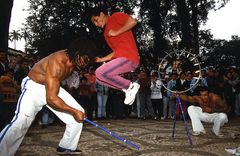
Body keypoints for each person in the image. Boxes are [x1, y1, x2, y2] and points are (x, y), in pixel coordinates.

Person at [0, 37, 97, 155]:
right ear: (77, 53)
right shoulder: (58, 61)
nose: (85, 63)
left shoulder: (75, 62)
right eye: (84, 58)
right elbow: (51, 99)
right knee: (21, 121)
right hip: (34, 86)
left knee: (79, 113)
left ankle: (66, 146)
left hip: (51, 86)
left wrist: (75, 111)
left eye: (88, 60)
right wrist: (72, 110)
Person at [90, 7, 140, 105]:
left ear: (101, 14)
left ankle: (130, 86)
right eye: (94, 23)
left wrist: (116, 32)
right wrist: (101, 60)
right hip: (121, 58)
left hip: (129, 56)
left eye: (96, 20)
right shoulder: (105, 34)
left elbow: (133, 21)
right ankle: (127, 88)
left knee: (99, 72)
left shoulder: (115, 16)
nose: (96, 24)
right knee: (99, 78)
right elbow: (115, 51)